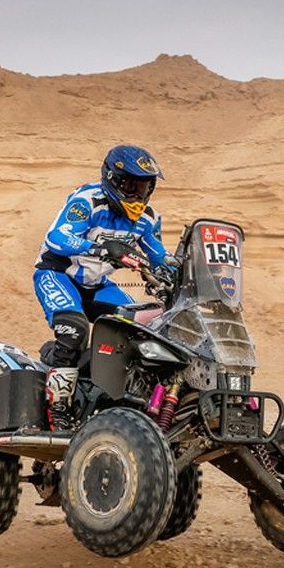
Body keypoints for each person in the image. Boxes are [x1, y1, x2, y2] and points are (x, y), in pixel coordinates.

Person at [32, 144, 171, 427]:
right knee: (75, 329)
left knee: (143, 326)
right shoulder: (88, 201)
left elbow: (159, 256)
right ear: (112, 179)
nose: (137, 194)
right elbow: (56, 237)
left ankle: (112, 396)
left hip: (97, 285)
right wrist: (101, 247)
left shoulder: (147, 219)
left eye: (144, 187)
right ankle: (57, 408)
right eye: (130, 185)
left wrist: (179, 270)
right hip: (58, 275)